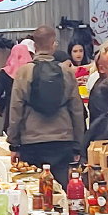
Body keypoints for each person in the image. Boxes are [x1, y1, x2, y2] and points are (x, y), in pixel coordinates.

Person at [6, 24, 89, 186]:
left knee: (35, 192)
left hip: (31, 143)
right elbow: (77, 110)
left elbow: (16, 110)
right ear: (53, 45)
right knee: (63, 192)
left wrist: (13, 144)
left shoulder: (24, 72)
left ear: (35, 46)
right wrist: (78, 145)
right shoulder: (66, 72)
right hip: (62, 142)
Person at [0, 38, 33, 123]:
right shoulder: (32, 71)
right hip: (30, 115)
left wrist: (7, 102)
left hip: (10, 115)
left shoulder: (5, 73)